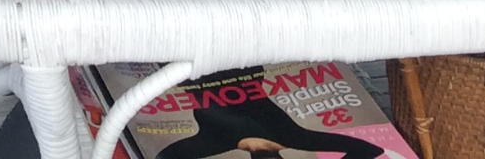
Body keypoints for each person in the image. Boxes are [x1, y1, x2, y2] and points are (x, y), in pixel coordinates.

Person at [153, 89, 386, 159]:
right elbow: (370, 148)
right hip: (242, 56)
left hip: (188, 66)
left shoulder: (214, 142)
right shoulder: (297, 138)